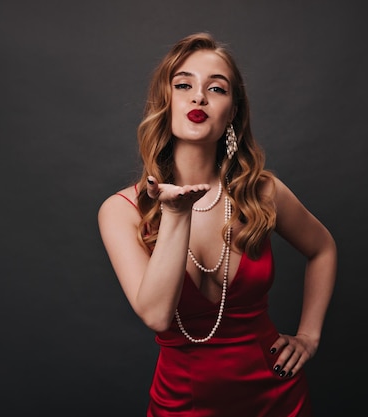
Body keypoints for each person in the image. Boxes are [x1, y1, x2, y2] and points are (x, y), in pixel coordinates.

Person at [98, 32, 337, 417]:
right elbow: (157, 316)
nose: (199, 97)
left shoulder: (262, 191)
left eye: (217, 88)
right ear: (166, 101)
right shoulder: (121, 210)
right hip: (184, 405)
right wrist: (175, 214)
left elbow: (322, 248)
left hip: (278, 399)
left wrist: (308, 336)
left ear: (232, 111)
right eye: (183, 85)